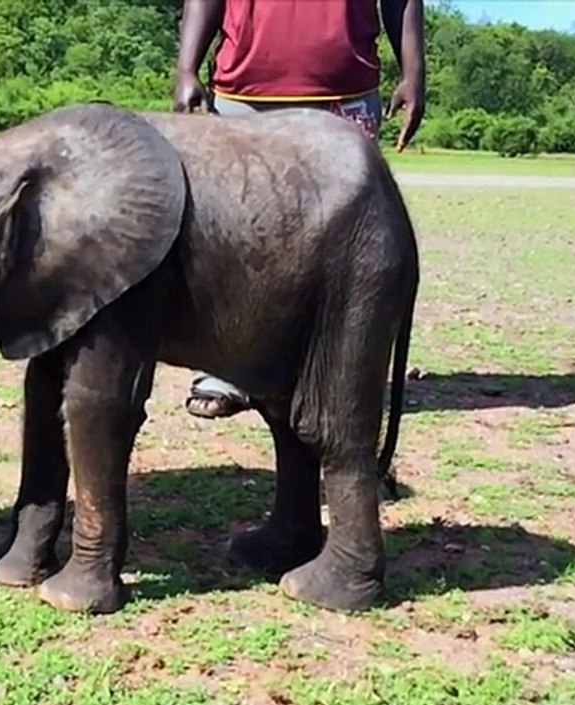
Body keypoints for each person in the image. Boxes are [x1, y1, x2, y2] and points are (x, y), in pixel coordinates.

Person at [172, 0, 426, 420]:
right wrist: (186, 68)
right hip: (243, 93)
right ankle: (225, 370)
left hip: (345, 92)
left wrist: (413, 73)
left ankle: (330, 372)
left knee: (344, 246)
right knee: (234, 239)